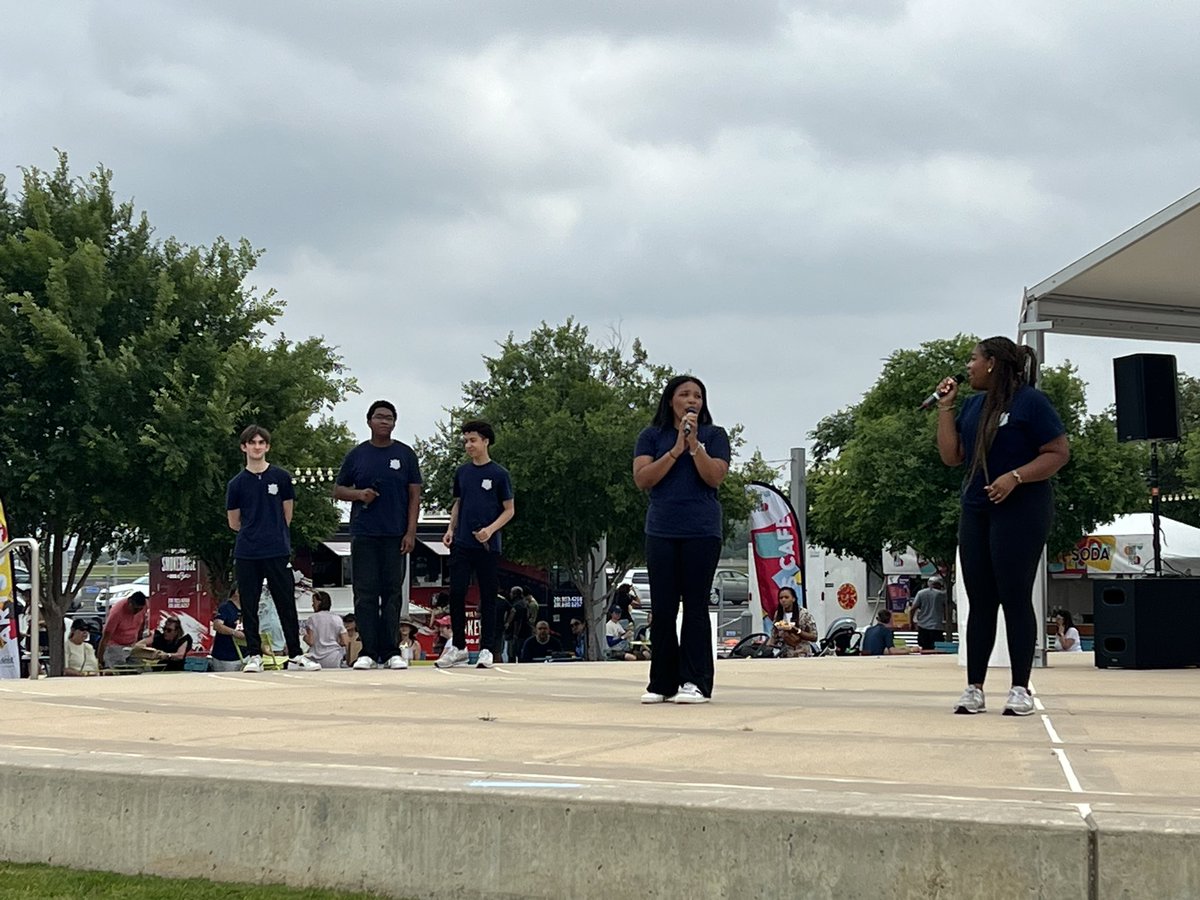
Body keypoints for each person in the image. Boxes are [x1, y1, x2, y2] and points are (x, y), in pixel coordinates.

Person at [936, 336, 1070, 716]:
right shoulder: (975, 405)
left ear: (992, 362)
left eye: (973, 359)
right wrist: (946, 409)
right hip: (977, 507)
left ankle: (1020, 688)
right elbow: (952, 456)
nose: (968, 366)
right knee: (979, 601)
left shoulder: (1030, 402)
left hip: (1021, 509)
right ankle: (974, 688)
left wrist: (1016, 476)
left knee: (1013, 595)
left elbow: (1058, 453)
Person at [633, 375, 731, 704]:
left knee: (695, 606)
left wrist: (693, 446)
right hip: (661, 530)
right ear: (671, 400)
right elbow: (643, 478)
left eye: (698, 396)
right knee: (662, 609)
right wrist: (675, 450)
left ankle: (696, 682)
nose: (692, 400)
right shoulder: (651, 436)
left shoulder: (715, 436)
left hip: (701, 531)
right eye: (685, 394)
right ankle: (662, 682)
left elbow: (714, 476)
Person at [334, 400, 423, 671]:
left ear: (395, 423)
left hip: (395, 535)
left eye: (389, 417)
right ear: (369, 421)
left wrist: (411, 532)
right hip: (364, 533)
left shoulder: (405, 455)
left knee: (393, 593)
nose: (384, 421)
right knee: (365, 593)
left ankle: (392, 650)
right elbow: (338, 490)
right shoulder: (358, 455)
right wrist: (360, 495)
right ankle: (368, 651)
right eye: (379, 417)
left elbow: (414, 495)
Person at [226, 425, 319, 673]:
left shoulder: (281, 477)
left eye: (261, 442)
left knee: (285, 603)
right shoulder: (236, 484)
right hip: (247, 552)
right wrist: (254, 532)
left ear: (267, 446)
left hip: (277, 550)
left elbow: (287, 514)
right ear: (244, 447)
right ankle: (254, 654)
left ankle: (296, 654)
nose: (257, 446)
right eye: (252, 442)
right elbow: (234, 522)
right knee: (249, 604)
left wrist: (273, 533)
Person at [437, 420, 515, 670]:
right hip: (462, 542)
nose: (469, 445)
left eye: (473, 440)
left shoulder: (499, 474)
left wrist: (490, 530)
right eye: (466, 441)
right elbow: (459, 503)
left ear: (485, 441)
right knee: (457, 593)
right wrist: (450, 529)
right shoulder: (462, 473)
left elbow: (509, 510)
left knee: (488, 597)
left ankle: (487, 648)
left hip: (487, 546)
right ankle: (459, 646)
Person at [97, 590, 148, 669]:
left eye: (140, 609)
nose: (137, 612)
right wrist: (100, 660)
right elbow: (105, 637)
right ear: (129, 602)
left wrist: (139, 643)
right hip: (114, 645)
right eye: (135, 609)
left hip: (132, 644)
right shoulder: (116, 612)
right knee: (119, 669)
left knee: (140, 668)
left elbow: (141, 627)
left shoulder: (143, 607)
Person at [765, 586, 818, 658]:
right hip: (784, 655)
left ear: (793, 599)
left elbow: (814, 637)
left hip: (801, 654)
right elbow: (773, 636)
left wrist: (797, 630)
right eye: (781, 598)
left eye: (786, 597)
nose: (783, 600)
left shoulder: (804, 614)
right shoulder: (778, 614)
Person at [303, 590, 349, 669]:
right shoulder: (337, 618)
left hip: (316, 658)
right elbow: (345, 641)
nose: (312, 605)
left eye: (314, 602)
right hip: (334, 657)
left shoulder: (312, 619)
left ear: (319, 602)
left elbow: (311, 642)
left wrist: (304, 637)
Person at [908, 576, 948, 651]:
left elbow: (913, 609)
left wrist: (911, 622)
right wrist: (946, 621)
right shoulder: (942, 594)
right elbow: (946, 609)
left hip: (923, 626)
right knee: (937, 649)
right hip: (936, 626)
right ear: (939, 584)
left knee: (924, 648)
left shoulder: (921, 593)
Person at [210, 589, 245, 673]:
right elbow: (217, 625)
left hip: (244, 654)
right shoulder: (225, 608)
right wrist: (234, 632)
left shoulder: (246, 608)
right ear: (237, 592)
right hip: (226, 656)